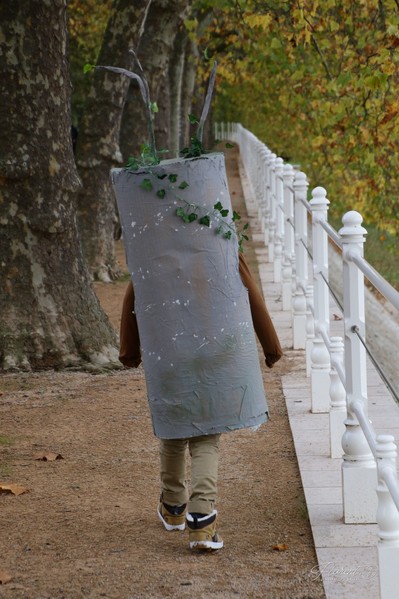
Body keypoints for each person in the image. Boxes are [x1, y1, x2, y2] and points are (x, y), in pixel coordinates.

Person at [119, 250, 283, 551]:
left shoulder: (154, 244)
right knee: (206, 435)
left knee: (173, 425)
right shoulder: (221, 243)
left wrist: (130, 350)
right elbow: (252, 297)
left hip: (168, 350)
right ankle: (202, 518)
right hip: (213, 347)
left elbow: (134, 297)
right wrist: (271, 347)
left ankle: (173, 506)